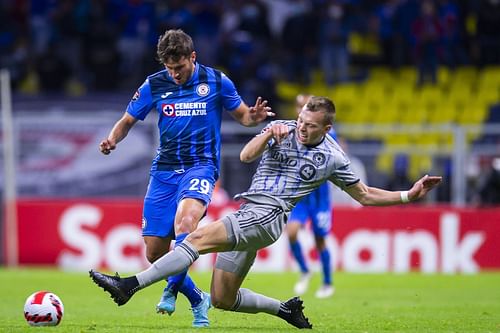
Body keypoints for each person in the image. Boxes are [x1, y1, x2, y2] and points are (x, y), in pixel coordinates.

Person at [91, 96, 442, 329]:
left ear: (327, 129)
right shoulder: (283, 129)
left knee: (195, 237)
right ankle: (285, 310)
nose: (301, 127)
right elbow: (245, 156)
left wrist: (408, 195)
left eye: (310, 125)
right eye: (301, 120)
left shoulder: (333, 158)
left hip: (268, 216)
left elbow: (364, 195)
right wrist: (266, 136)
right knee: (223, 299)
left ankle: (128, 286)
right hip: (250, 211)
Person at [98, 29, 273, 328]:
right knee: (154, 252)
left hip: (201, 166)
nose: (175, 74)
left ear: (193, 57)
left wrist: (253, 118)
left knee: (186, 223)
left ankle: (170, 288)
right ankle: (196, 297)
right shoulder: (154, 84)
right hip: (164, 171)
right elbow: (127, 120)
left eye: (179, 67)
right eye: (170, 68)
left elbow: (243, 115)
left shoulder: (217, 81)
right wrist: (112, 139)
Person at [286, 94, 335, 299]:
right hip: (300, 198)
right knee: (291, 233)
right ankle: (305, 270)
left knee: (319, 240)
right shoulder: (293, 131)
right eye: (298, 107)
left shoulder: (326, 134)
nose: (299, 110)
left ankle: (327, 282)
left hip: (319, 198)